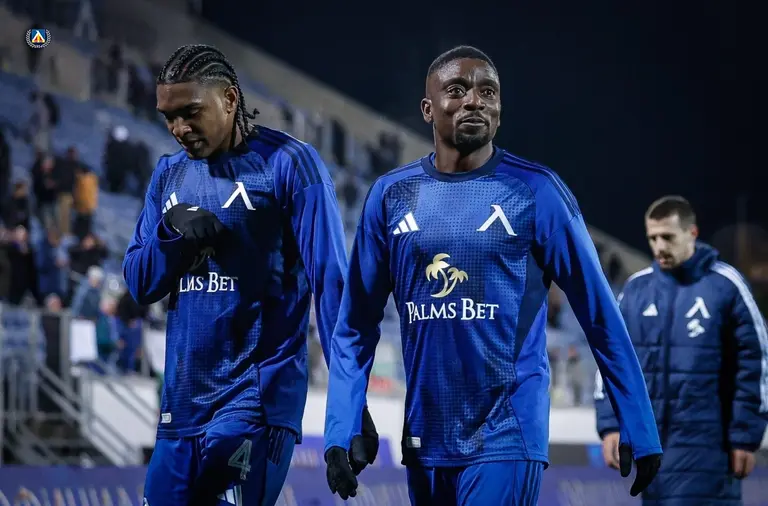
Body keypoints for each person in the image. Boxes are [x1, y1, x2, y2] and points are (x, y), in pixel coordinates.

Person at [323, 45, 662, 505]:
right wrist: (340, 430)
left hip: (507, 433)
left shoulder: (537, 191)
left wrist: (637, 422)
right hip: (426, 437)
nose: (474, 101)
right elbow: (354, 327)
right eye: (457, 90)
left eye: (488, 92)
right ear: (428, 109)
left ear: (500, 110)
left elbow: (600, 313)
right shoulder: (390, 196)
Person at [122, 44, 378, 506]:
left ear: (230, 99)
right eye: (168, 117)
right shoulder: (168, 175)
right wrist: (170, 232)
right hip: (180, 409)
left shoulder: (290, 164)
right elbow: (140, 283)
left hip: (254, 404)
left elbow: (334, 293)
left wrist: (349, 407)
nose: (178, 128)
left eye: (190, 112)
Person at [595, 195, 768, 505]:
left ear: (692, 233)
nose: (659, 246)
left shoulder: (727, 285)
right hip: (652, 450)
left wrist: (745, 435)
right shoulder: (636, 289)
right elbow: (611, 359)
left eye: (668, 237)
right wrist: (610, 424)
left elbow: (755, 362)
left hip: (710, 451)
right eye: (652, 238)